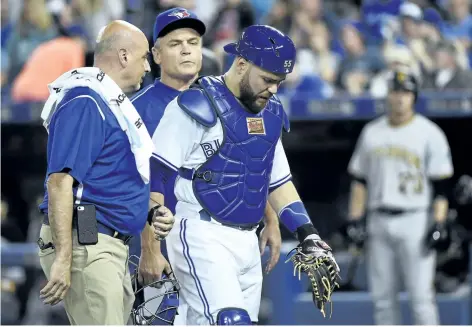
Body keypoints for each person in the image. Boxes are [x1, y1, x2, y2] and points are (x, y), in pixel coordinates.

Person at [150, 24, 339, 325]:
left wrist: (308, 233)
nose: (274, 88)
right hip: (201, 232)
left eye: (279, 81)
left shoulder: (272, 111)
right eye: (267, 79)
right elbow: (157, 172)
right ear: (241, 64)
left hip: (248, 242)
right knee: (231, 320)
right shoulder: (196, 105)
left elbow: (278, 182)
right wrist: (152, 228)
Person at [36, 20, 175, 325]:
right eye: (143, 58)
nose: (148, 68)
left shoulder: (108, 104)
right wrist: (63, 257)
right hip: (87, 246)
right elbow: (60, 182)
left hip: (105, 247)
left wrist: (149, 211)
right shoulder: (85, 101)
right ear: (124, 56)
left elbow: (107, 180)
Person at [346, 70, 454, 325]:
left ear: (414, 97)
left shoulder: (429, 133)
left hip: (415, 219)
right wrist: (355, 219)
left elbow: (441, 185)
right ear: (388, 96)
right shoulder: (372, 132)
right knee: (382, 300)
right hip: (378, 219)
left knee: (421, 298)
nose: (399, 98)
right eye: (395, 92)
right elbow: (360, 180)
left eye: (405, 93)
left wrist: (438, 222)